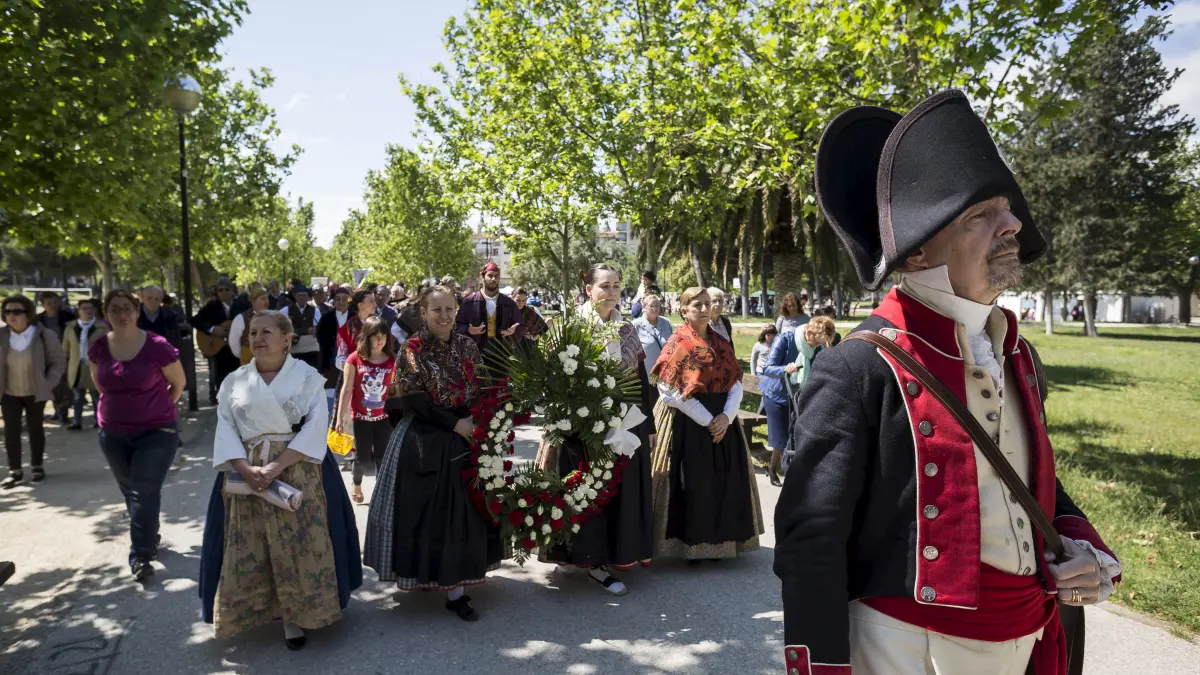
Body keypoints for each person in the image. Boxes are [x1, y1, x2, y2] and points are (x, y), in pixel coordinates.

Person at [775, 89, 1121, 675]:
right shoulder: (858, 366)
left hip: (1029, 633)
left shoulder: (1017, 351)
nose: (1013, 224)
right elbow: (811, 539)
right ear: (915, 254)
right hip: (907, 649)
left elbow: (1027, 479)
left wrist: (1081, 545)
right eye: (979, 215)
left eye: (1005, 208)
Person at [199, 310, 360, 649]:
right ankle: (258, 609)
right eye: (253, 332)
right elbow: (225, 427)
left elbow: (316, 427)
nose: (257, 338)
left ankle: (296, 616)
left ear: (287, 339)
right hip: (246, 470)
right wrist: (245, 468)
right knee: (252, 541)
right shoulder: (234, 380)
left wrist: (275, 468)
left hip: (297, 468)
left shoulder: (307, 377)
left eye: (266, 332)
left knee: (299, 541)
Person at [363, 285, 504, 620]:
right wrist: (454, 425)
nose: (444, 316)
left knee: (466, 510)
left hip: (467, 432)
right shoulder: (412, 348)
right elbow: (413, 399)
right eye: (436, 310)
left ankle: (457, 587)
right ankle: (432, 576)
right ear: (423, 313)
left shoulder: (467, 344)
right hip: (424, 438)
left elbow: (482, 385)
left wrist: (479, 419)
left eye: (449, 309)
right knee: (431, 512)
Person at [536, 264, 657, 594]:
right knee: (585, 490)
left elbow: (639, 380)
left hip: (623, 423)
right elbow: (552, 380)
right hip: (581, 428)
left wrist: (648, 424)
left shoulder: (627, 329)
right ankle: (587, 560)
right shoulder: (571, 327)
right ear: (588, 289)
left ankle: (606, 558)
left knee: (616, 491)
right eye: (605, 286)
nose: (612, 292)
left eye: (616, 285)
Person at [649, 287, 764, 561]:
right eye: (696, 305)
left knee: (724, 480)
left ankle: (721, 544)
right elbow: (668, 390)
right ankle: (689, 546)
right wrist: (707, 419)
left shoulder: (720, 342)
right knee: (692, 482)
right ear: (683, 311)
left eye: (706, 304)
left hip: (723, 422)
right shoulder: (677, 343)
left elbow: (735, 381)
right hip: (686, 422)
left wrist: (726, 417)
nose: (703, 309)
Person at [90, 290, 186, 580]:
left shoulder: (157, 346)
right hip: (112, 433)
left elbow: (178, 384)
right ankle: (148, 535)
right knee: (131, 492)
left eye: (127, 308)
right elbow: (100, 385)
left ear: (137, 311)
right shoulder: (98, 348)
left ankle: (141, 556)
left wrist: (156, 408)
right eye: (115, 309)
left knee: (143, 491)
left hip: (157, 431)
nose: (122, 314)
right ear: (106, 313)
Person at [1, 295, 66, 488]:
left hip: (35, 392)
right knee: (11, 431)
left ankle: (37, 466)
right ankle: (15, 470)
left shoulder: (44, 335)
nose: (11, 315)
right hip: (8, 392)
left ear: (28, 313)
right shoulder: (1, 335)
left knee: (35, 428)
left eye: (17, 311)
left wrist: (48, 383)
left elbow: (58, 362)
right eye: (7, 311)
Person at [335, 317, 396, 504]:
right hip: (360, 419)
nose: (380, 340)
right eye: (375, 336)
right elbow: (346, 389)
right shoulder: (354, 359)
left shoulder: (392, 360)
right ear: (367, 337)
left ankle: (379, 495)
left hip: (384, 419)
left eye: (383, 336)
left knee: (381, 458)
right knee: (362, 459)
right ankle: (356, 483)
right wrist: (339, 419)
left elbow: (396, 390)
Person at [455, 261, 523, 358]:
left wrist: (513, 330)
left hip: (502, 356)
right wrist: (468, 329)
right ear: (482, 277)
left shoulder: (509, 303)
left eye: (496, 276)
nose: (493, 279)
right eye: (490, 275)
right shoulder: (469, 302)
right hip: (475, 354)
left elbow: (520, 324)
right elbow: (457, 325)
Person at [191, 278, 244, 403]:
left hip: (236, 349)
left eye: (227, 289)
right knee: (219, 377)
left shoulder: (241, 306)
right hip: (218, 349)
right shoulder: (211, 306)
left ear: (232, 291)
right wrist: (213, 329)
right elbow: (195, 320)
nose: (224, 292)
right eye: (220, 290)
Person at [62, 297, 109, 430]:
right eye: (84, 308)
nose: (88, 311)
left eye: (91, 308)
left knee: (96, 395)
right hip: (76, 366)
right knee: (77, 396)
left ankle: (99, 420)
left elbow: (109, 347)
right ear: (78, 310)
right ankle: (76, 421)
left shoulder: (102, 327)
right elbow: (65, 348)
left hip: (95, 366)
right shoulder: (71, 327)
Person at [38, 291, 75, 422]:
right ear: (43, 304)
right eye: (49, 303)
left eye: (55, 302)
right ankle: (57, 410)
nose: (52, 305)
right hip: (46, 357)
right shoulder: (37, 320)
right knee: (53, 386)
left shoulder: (68, 317)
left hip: (66, 355)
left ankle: (63, 413)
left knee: (65, 386)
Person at [280, 284, 321, 370]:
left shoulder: (315, 310)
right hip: (294, 349)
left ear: (308, 297)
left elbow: (319, 327)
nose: (302, 298)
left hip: (311, 349)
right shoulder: (286, 310)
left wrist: (316, 330)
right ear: (295, 296)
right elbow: (280, 326)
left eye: (304, 295)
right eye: (300, 295)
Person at [227, 287, 271, 366]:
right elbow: (233, 342)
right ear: (253, 301)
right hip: (248, 363)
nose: (266, 301)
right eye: (263, 299)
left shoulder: (274, 318)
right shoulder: (241, 318)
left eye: (267, 298)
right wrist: (244, 354)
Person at [632, 293, 672, 370]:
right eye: (651, 306)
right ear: (644, 308)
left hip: (666, 370)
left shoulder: (666, 322)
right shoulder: (635, 325)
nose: (655, 308)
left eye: (657, 305)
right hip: (647, 371)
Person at [138, 285, 182, 350]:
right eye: (149, 298)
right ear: (142, 298)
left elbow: (176, 340)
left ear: (161, 299)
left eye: (156, 299)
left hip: (164, 353)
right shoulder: (133, 316)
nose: (153, 302)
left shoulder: (170, 316)